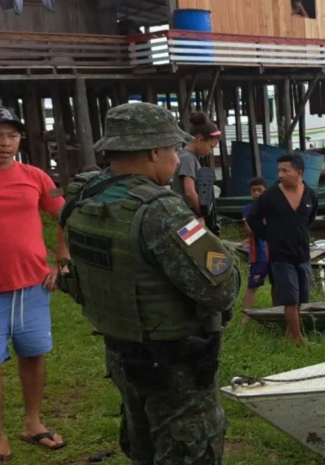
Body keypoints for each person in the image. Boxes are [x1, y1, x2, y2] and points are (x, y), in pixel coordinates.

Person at [57, 101, 240, 464]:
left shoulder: (86, 195)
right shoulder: (161, 210)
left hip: (123, 351)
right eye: (173, 149)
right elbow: (221, 287)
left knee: (144, 444)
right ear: (155, 151)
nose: (176, 158)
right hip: (174, 364)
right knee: (188, 446)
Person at [0, 107, 69, 464]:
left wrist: (62, 259)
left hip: (33, 285)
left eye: (12, 135)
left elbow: (64, 214)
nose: (5, 143)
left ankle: (32, 423)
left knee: (32, 354)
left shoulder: (35, 176)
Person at [246, 153, 319, 346]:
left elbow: (310, 218)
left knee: (303, 297)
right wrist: (269, 235)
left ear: (299, 172)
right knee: (290, 299)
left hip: (303, 254)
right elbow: (253, 218)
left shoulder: (310, 194)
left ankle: (289, 332)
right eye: (279, 170)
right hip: (281, 255)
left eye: (285, 170)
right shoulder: (270, 195)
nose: (280, 174)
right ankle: (298, 339)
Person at [170, 111, 220, 222]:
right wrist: (205, 215)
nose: (210, 151)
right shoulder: (188, 158)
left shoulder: (187, 156)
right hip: (189, 215)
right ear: (200, 139)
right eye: (210, 146)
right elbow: (190, 192)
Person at [241, 177, 270, 325]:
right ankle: (245, 318)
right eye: (254, 190)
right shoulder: (248, 208)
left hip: (275, 252)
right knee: (252, 285)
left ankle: (278, 312)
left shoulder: (273, 206)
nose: (257, 193)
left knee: (278, 284)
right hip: (258, 254)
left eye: (260, 190)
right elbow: (249, 228)